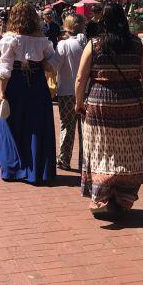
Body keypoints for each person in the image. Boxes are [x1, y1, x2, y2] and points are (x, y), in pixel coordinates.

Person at [75, 4, 143, 216]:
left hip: (99, 105)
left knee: (99, 150)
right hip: (130, 105)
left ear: (103, 21)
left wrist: (79, 103)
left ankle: (101, 197)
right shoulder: (136, 45)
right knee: (127, 152)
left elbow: (80, 78)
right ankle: (123, 197)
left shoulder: (94, 45)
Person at [0, 2, 58, 185]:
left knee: (10, 124)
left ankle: (14, 168)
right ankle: (38, 170)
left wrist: (2, 92)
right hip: (38, 83)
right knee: (37, 125)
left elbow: (5, 69)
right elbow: (51, 60)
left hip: (16, 83)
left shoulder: (9, 39)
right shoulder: (42, 39)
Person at [54, 15, 86, 171]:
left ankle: (64, 158)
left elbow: (54, 66)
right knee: (85, 129)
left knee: (67, 126)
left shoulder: (63, 45)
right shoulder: (88, 44)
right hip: (86, 91)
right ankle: (84, 161)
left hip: (66, 90)